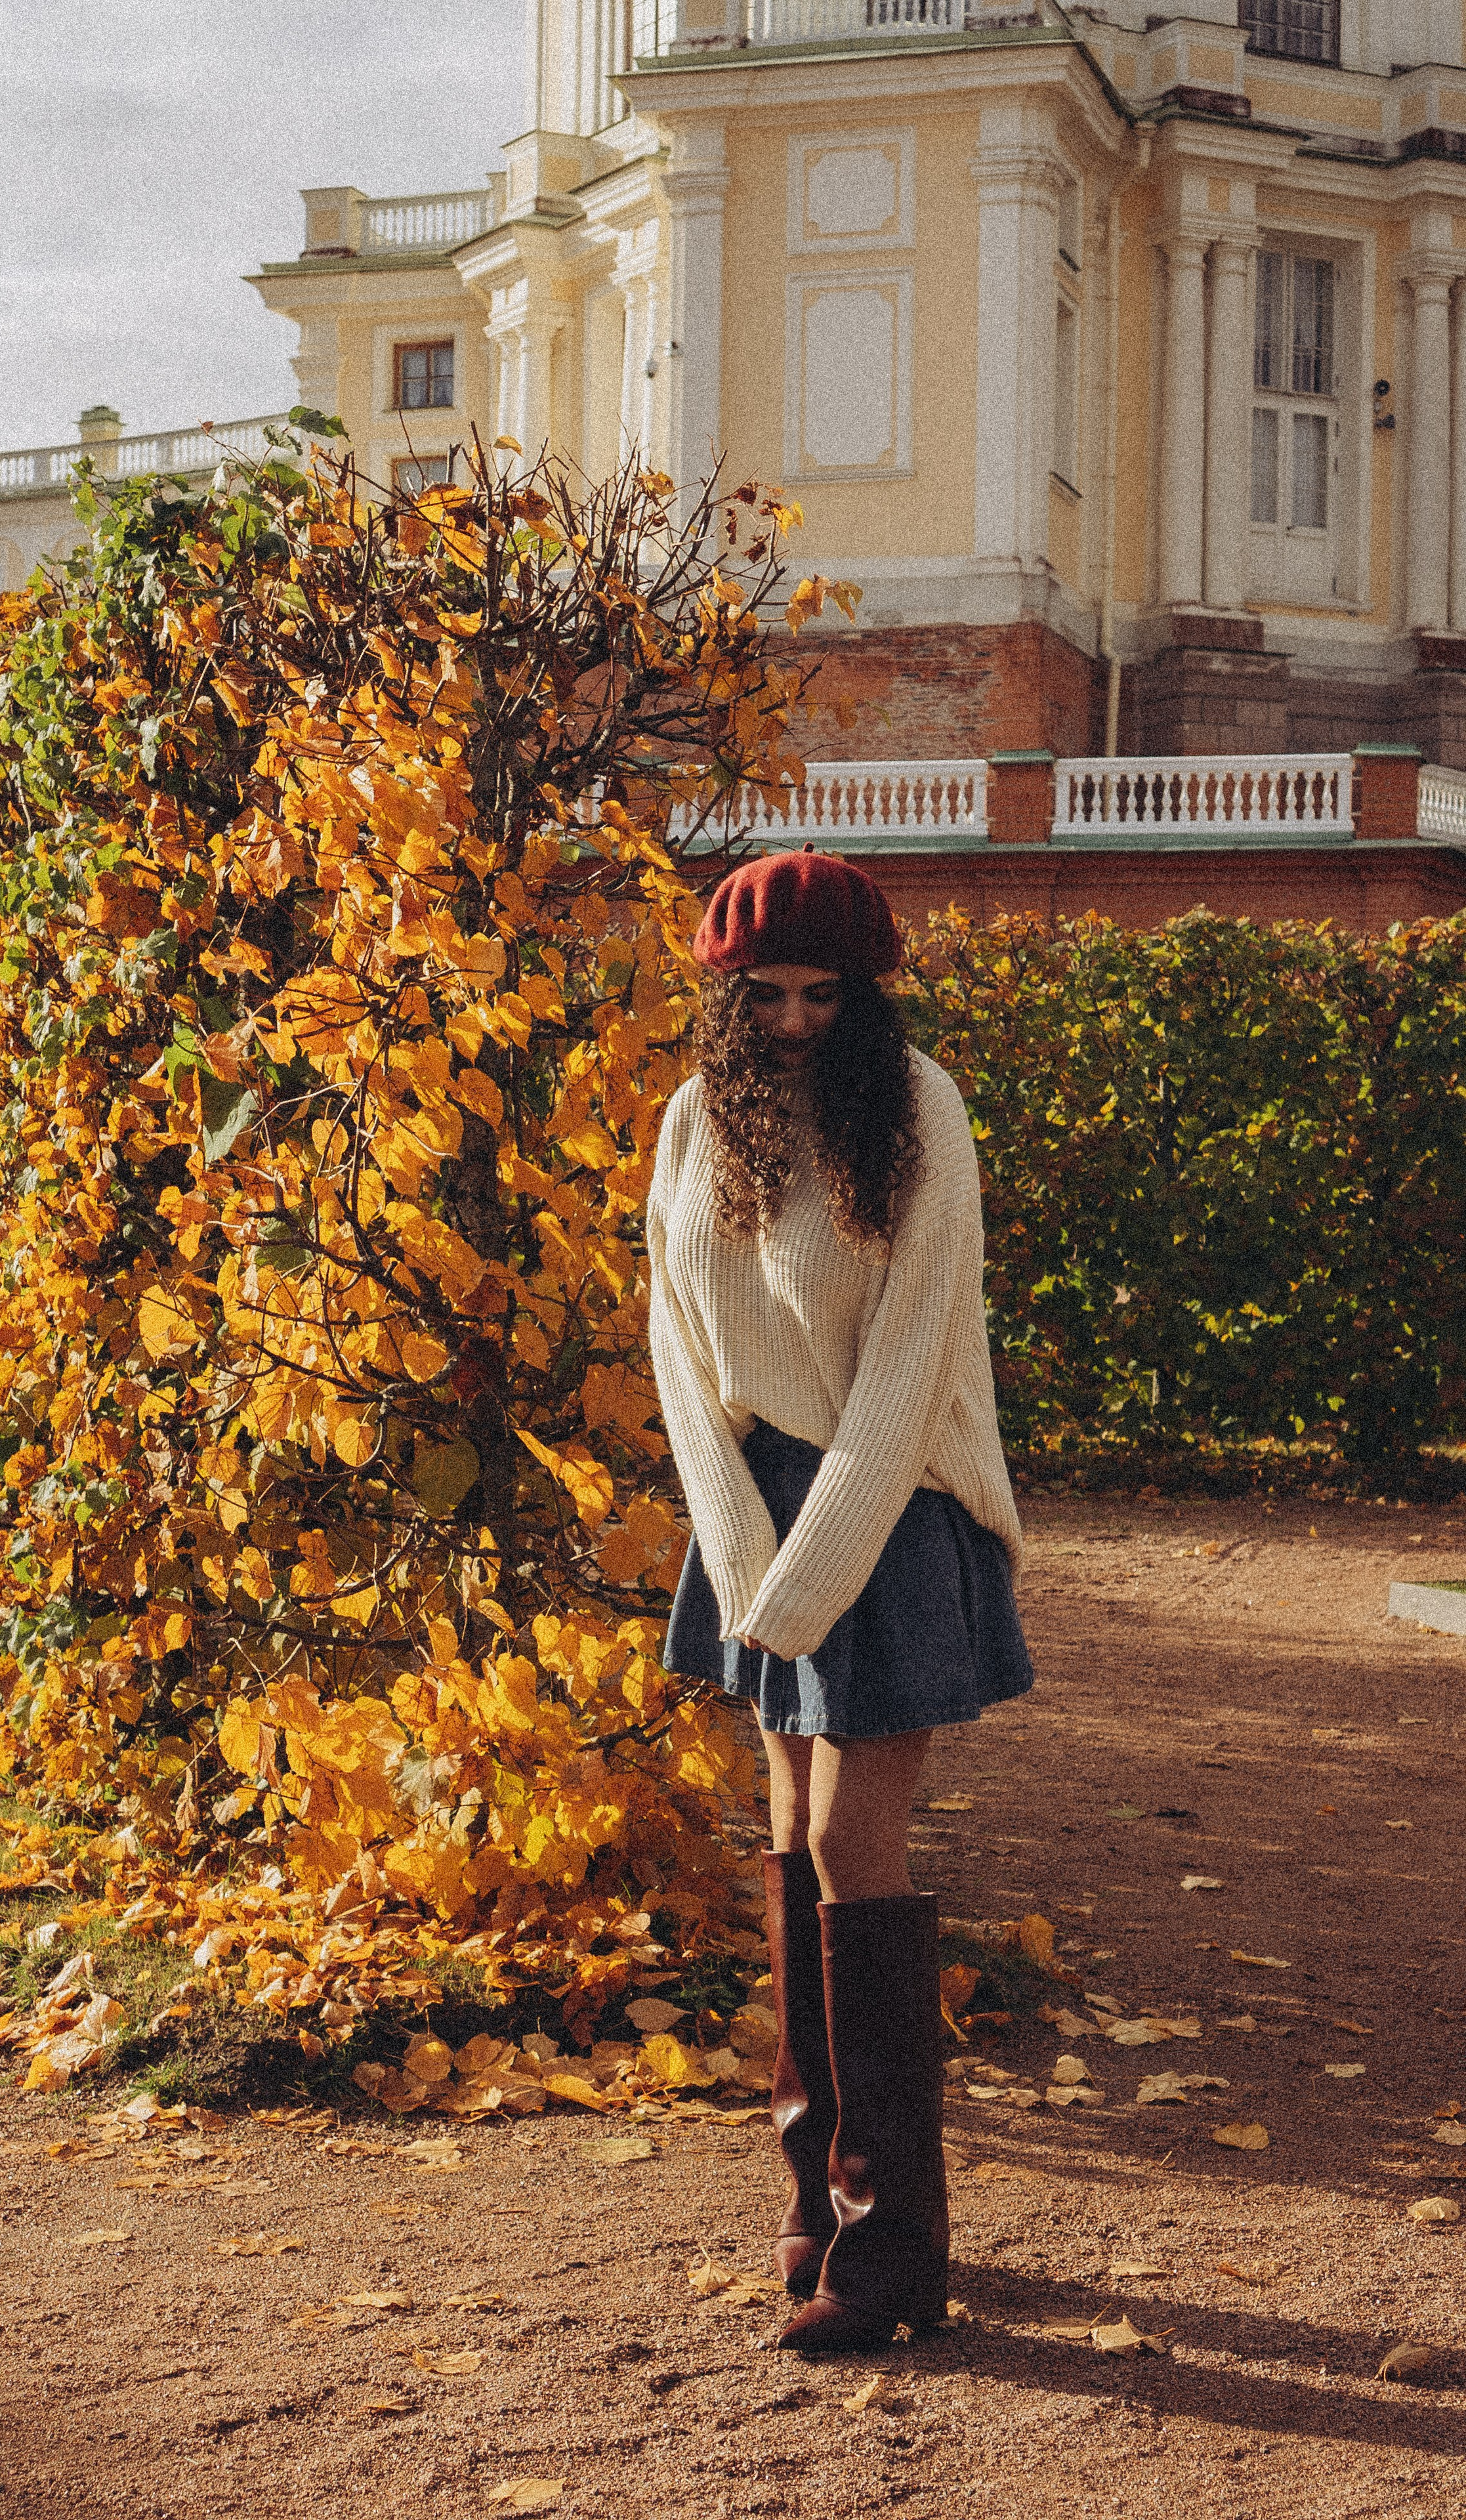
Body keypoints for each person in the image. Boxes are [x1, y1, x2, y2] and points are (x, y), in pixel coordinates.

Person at [646, 843, 1032, 2354]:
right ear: (724, 996)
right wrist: (741, 1560)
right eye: (767, 995)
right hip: (755, 1521)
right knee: (788, 1847)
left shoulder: (920, 1110)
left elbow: (913, 1366)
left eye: (823, 994)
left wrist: (801, 1582)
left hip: (895, 1511)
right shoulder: (695, 1122)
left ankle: (889, 2251)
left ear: (862, 994)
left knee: (852, 1849)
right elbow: (677, 1351)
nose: (796, 1021)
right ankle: (809, 2203)